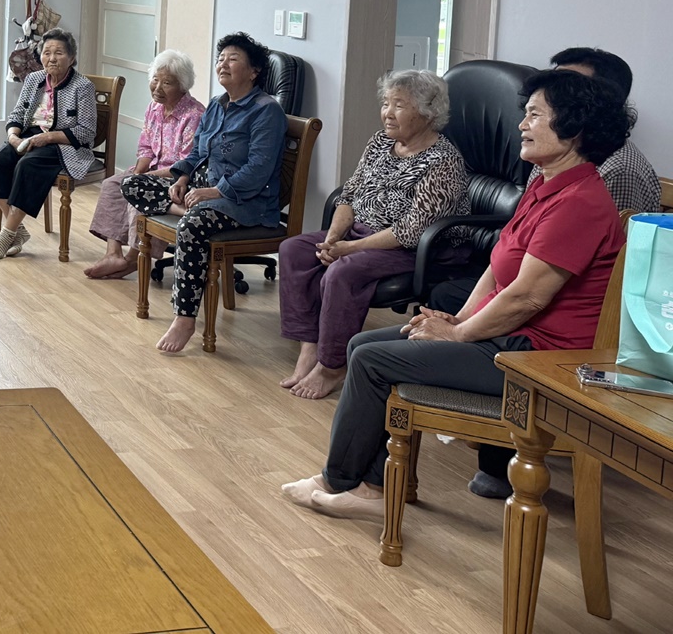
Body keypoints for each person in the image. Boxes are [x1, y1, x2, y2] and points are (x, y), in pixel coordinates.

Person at [281, 70, 632, 521]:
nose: (522, 125)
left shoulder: (580, 202)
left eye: (535, 115)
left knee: (371, 360)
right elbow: (497, 267)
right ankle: (367, 484)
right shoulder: (544, 184)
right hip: (510, 338)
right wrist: (455, 320)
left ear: (574, 128)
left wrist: (459, 335)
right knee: (362, 344)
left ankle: (341, 482)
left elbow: (526, 298)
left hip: (539, 359)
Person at [427, 46, 659, 498]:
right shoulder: (549, 168)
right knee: (451, 299)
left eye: (567, 89)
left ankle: (500, 441)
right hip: (538, 294)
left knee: (472, 313)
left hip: (576, 325)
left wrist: (460, 332)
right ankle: (493, 451)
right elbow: (514, 258)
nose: (529, 117)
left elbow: (583, 283)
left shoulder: (611, 174)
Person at [278, 70, 471, 399]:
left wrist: (348, 249)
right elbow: (349, 195)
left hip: (415, 250)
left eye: (399, 105)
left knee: (342, 271)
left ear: (428, 113)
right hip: (361, 234)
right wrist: (333, 238)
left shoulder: (443, 161)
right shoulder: (380, 142)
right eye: (385, 103)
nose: (388, 113)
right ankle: (309, 349)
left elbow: (412, 231)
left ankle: (332, 366)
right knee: (293, 249)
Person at [122, 32, 285, 354]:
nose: (223, 64)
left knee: (193, 225)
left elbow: (258, 169)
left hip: (246, 203)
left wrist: (214, 192)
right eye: (220, 58)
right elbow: (197, 152)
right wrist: (182, 177)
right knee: (132, 183)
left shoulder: (266, 111)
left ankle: (184, 318)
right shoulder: (217, 105)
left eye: (233, 59)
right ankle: (184, 208)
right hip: (204, 191)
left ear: (254, 71)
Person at [85, 50, 205, 279]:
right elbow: (146, 146)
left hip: (178, 178)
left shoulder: (194, 115)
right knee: (112, 184)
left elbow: (188, 162)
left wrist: (143, 178)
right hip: (152, 170)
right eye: (155, 80)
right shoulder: (154, 107)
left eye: (166, 83)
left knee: (138, 193)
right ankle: (113, 254)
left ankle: (135, 257)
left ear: (182, 86)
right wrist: (139, 171)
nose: (157, 88)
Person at [0, 29, 98, 260]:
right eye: (47, 52)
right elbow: (17, 114)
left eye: (59, 53)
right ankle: (18, 232)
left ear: (72, 58)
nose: (52, 58)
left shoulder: (82, 86)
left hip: (63, 144)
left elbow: (86, 131)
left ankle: (7, 233)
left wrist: (49, 137)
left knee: (28, 165)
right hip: (29, 136)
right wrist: (13, 137)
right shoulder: (34, 79)